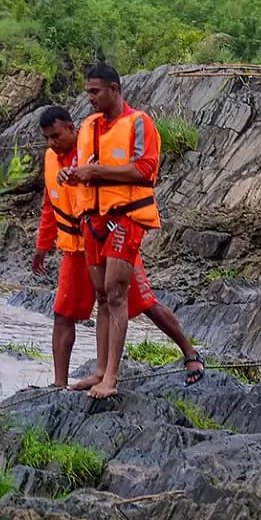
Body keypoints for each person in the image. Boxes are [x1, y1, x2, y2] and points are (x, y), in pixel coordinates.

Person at [34, 106, 205, 389]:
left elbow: (129, 176)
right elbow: (49, 204)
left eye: (55, 136)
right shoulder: (52, 159)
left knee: (143, 304)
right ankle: (59, 384)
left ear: (70, 127)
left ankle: (190, 353)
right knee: (63, 314)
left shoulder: (92, 148)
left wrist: (87, 175)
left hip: (108, 235)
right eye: (46, 139)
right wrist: (42, 245)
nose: (52, 143)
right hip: (75, 247)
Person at [59, 63, 165, 399]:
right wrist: (73, 175)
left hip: (125, 218)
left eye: (95, 91)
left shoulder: (139, 122)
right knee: (102, 297)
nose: (89, 98)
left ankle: (112, 379)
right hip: (92, 219)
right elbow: (83, 168)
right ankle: (100, 371)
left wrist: (95, 171)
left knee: (116, 294)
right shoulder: (89, 126)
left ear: (114, 90)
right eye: (88, 91)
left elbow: (145, 170)